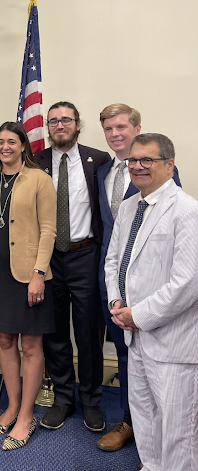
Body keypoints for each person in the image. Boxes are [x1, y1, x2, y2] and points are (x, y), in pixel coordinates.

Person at [105, 133, 197, 471]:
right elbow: (114, 260)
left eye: (148, 160)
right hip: (135, 335)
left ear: (169, 165)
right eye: (133, 160)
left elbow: (186, 284)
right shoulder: (130, 206)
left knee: (177, 427)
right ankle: (153, 466)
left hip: (172, 341)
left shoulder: (187, 211)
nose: (138, 166)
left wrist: (137, 314)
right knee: (143, 413)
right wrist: (117, 302)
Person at [96, 104, 181, 452]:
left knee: (157, 365)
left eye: (121, 127)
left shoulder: (160, 173)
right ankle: (132, 421)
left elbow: (170, 240)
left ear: (136, 128)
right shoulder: (102, 170)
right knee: (124, 354)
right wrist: (115, 294)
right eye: (109, 129)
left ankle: (158, 429)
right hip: (112, 281)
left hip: (151, 290)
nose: (115, 134)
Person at [0, 122, 57, 450]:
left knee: (31, 346)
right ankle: (11, 405)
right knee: (5, 342)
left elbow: (48, 229)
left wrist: (39, 273)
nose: (5, 147)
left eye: (11, 141)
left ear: (23, 145)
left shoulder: (39, 179)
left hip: (28, 275)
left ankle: (26, 415)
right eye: (0, 142)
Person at [34, 101, 111, 431]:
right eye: (53, 121)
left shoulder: (99, 160)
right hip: (48, 258)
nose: (59, 125)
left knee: (89, 332)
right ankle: (64, 399)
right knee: (54, 333)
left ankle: (91, 400)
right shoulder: (34, 162)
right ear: (48, 128)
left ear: (78, 125)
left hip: (85, 255)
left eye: (66, 120)